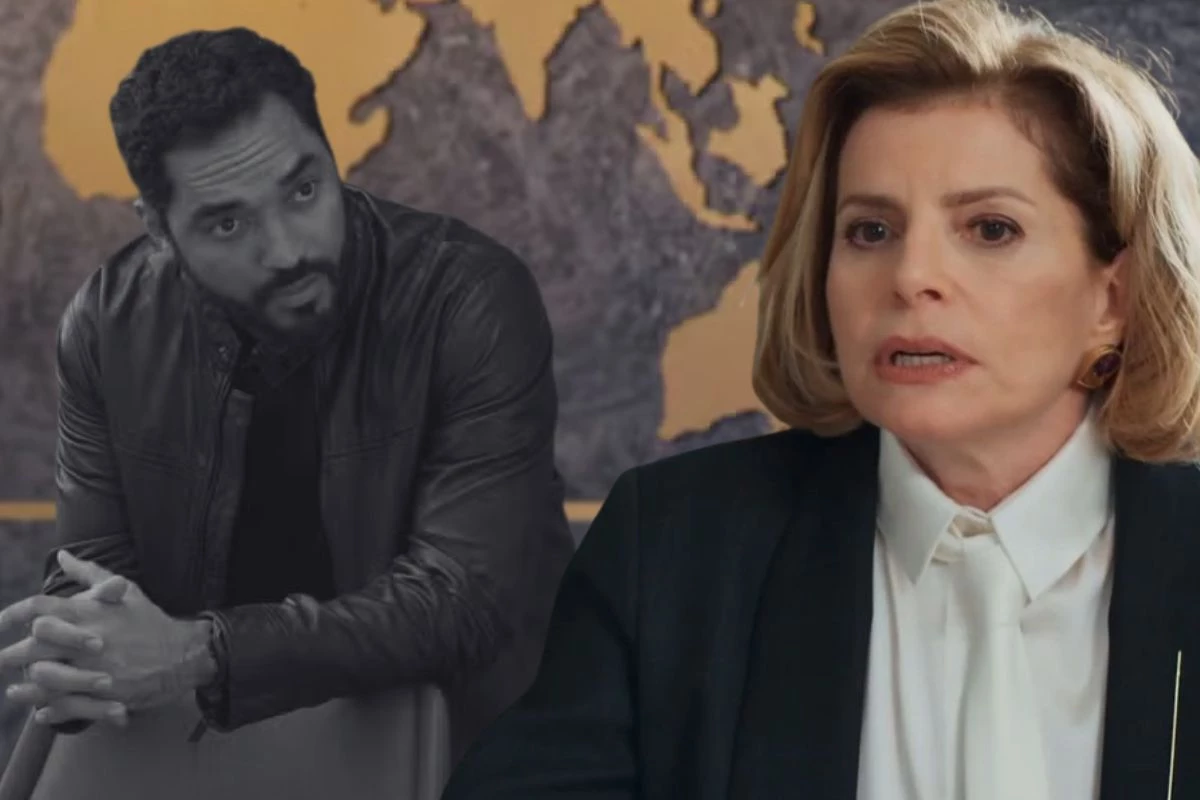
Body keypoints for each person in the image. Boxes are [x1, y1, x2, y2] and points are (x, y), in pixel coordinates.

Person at [440, 0, 1200, 797]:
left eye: (989, 229)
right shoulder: (673, 550)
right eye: (871, 231)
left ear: (1113, 297)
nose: (911, 277)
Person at [0, 27, 574, 800]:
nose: (288, 250)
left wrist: (201, 651)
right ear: (158, 229)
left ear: (331, 158)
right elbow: (94, 572)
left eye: (304, 191)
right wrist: (84, 645)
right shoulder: (107, 323)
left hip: (465, 742)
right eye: (228, 223)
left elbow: (462, 600)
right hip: (204, 752)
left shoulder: (467, 298)